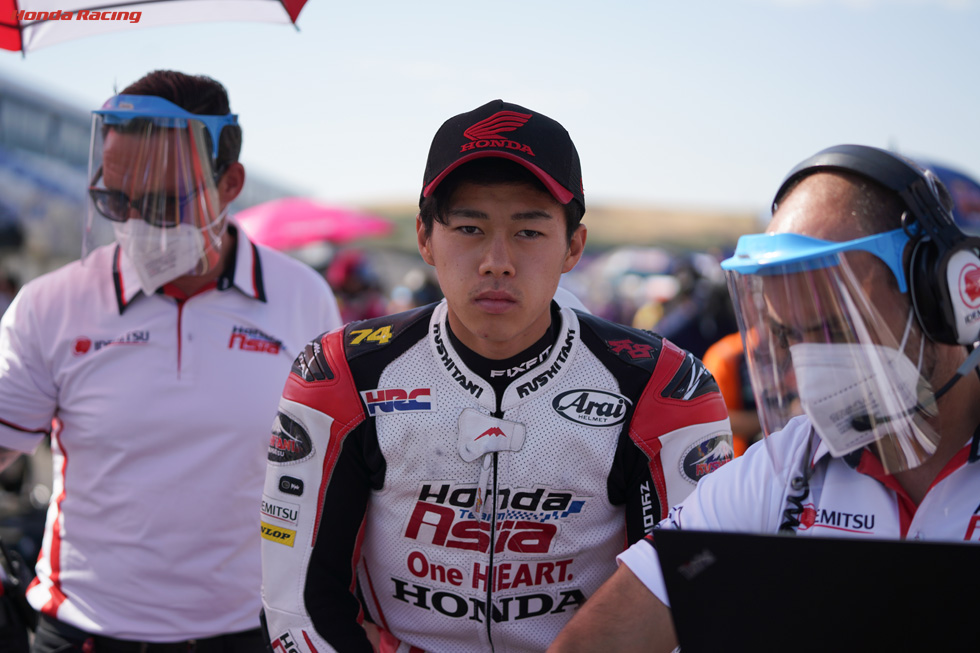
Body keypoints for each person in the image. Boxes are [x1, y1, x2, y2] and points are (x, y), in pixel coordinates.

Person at [259, 99, 733, 653]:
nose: (497, 261)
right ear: (425, 238)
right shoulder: (342, 373)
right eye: (469, 227)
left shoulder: (662, 385)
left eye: (529, 231)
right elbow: (298, 608)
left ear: (573, 246)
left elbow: (693, 602)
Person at [548, 144, 980, 652]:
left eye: (836, 328)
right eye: (791, 335)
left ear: (946, 297)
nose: (806, 368)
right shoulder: (784, 468)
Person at [0, 70, 341, 652]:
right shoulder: (52, 303)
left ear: (229, 183)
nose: (133, 223)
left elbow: (334, 472)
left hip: (246, 630)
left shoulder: (302, 298)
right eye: (114, 199)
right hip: (83, 628)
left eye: (161, 202)